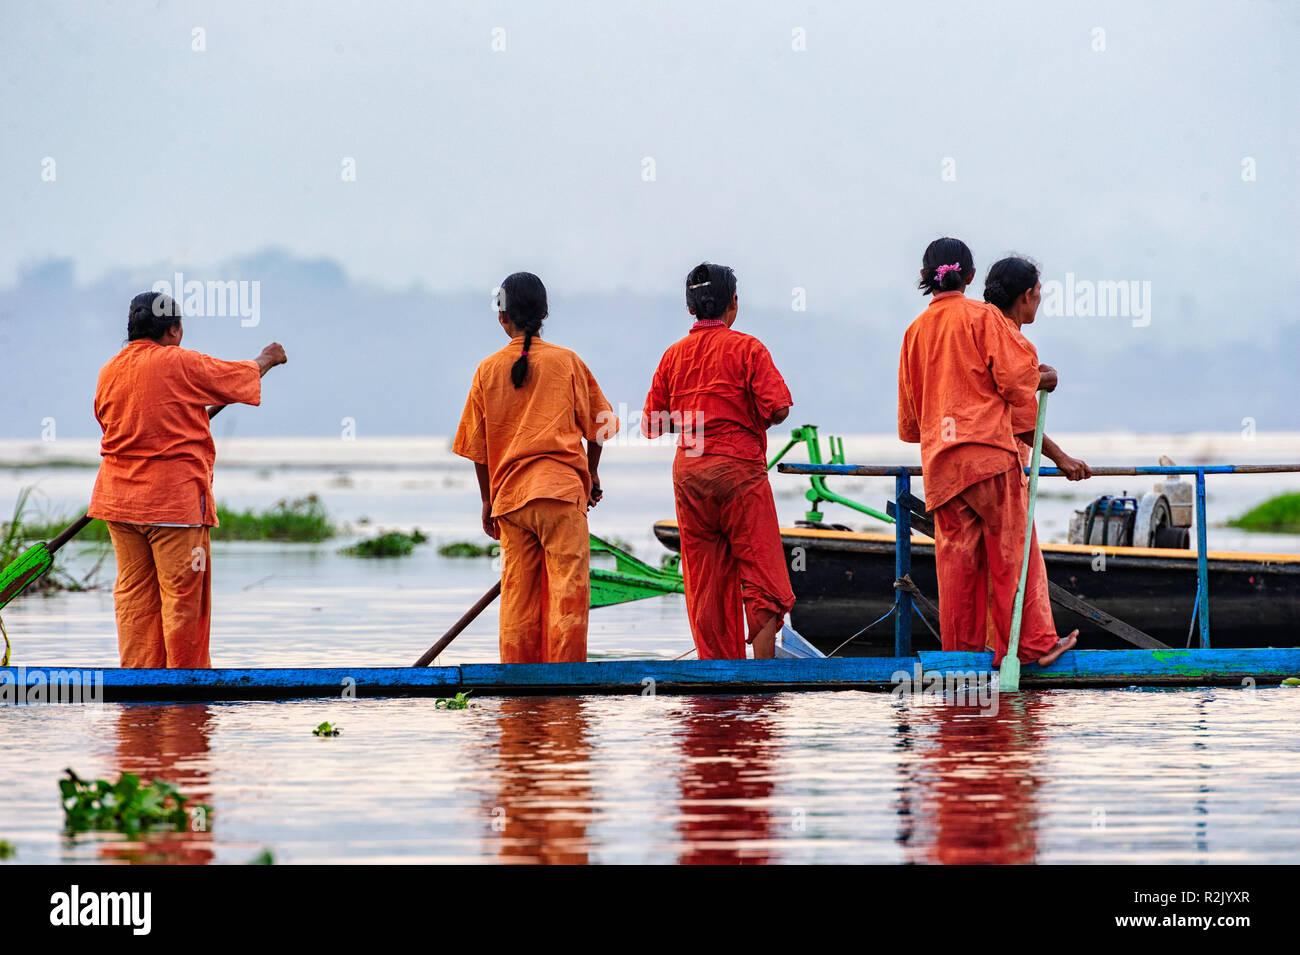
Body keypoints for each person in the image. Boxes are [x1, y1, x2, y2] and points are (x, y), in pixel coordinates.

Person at [896, 238, 1074, 667]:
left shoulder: (914, 332)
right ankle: (1032, 646)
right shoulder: (982, 316)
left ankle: (961, 658)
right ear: (971, 277)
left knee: (956, 567)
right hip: (989, 458)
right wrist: (1042, 377)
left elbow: (910, 424)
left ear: (925, 278)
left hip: (941, 467)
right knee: (1013, 554)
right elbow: (1015, 384)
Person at [89, 291, 287, 668]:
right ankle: (186, 690)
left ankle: (140, 689)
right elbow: (238, 377)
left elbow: (109, 423)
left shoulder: (109, 370)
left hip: (119, 506)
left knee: (134, 598)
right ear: (175, 330)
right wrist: (269, 358)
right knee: (183, 600)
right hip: (173, 507)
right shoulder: (179, 363)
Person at [453, 272, 617, 664]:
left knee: (518, 599)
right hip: (561, 496)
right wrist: (591, 474)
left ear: (501, 317)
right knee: (568, 593)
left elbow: (480, 452)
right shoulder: (567, 362)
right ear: (544, 314)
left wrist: (488, 502)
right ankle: (564, 688)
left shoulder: (487, 370)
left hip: (510, 501)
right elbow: (602, 425)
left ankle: (518, 689)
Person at [643, 262, 795, 660]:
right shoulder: (748, 348)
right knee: (762, 572)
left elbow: (652, 424)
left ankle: (717, 676)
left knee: (705, 578)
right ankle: (762, 677)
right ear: (733, 304)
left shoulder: (672, 356)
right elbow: (779, 409)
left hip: (691, 475)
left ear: (690, 308)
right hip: (740, 472)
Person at [984, 255, 1092, 656]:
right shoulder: (1010, 337)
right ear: (1026, 296)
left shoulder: (977, 328)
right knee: (1020, 558)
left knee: (983, 565)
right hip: (1000, 464)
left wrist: (1036, 376)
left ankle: (984, 648)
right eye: (1039, 294)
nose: (1040, 301)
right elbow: (1022, 417)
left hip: (960, 465)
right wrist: (1062, 458)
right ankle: (1035, 646)